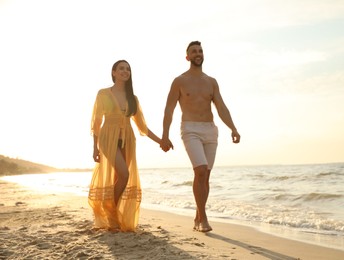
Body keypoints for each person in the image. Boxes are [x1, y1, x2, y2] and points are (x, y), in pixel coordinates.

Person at [161, 41, 241, 232]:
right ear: (187, 57)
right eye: (193, 51)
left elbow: (221, 107)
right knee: (201, 170)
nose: (198, 53)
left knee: (205, 177)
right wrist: (165, 135)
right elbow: (169, 109)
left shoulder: (211, 82)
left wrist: (233, 128)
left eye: (200, 51)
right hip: (190, 130)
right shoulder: (179, 81)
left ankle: (198, 216)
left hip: (210, 129)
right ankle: (203, 219)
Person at [89, 60, 164, 232]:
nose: (125, 71)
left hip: (127, 139)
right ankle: (110, 212)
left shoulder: (133, 98)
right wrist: (94, 147)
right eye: (121, 68)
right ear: (114, 72)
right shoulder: (103, 94)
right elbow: (97, 122)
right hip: (108, 137)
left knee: (119, 178)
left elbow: (142, 127)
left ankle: (114, 216)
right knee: (124, 173)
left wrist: (160, 141)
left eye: (128, 69)